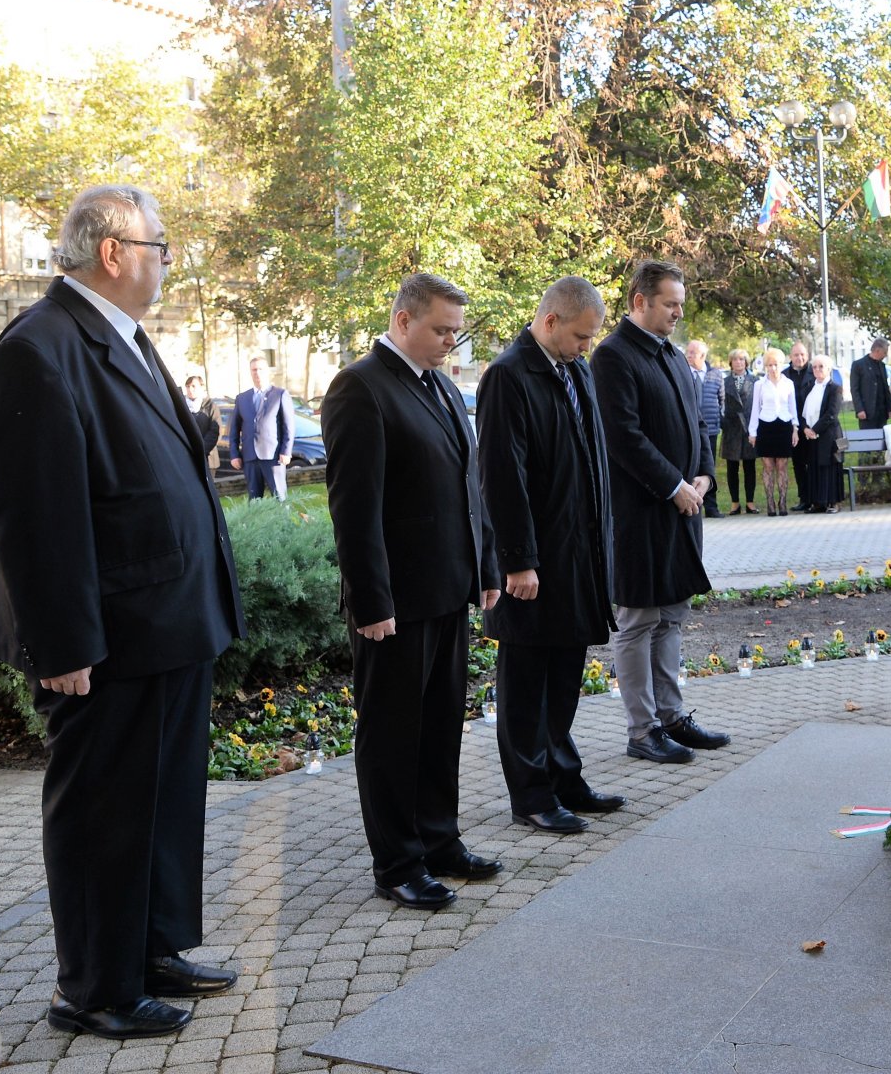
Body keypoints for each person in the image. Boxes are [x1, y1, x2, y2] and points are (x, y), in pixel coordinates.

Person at [0, 184, 244, 1039]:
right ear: (114, 252)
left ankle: (153, 949)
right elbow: (31, 514)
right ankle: (92, 989)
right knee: (103, 814)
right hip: (107, 637)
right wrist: (62, 641)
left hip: (167, 623)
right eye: (161, 245)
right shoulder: (41, 346)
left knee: (163, 806)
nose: (168, 260)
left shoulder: (120, 336)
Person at [322, 272, 504, 910]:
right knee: (394, 734)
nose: (450, 342)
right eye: (440, 329)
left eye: (457, 331)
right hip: (394, 605)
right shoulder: (360, 388)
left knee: (438, 728)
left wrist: (484, 567)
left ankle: (439, 840)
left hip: (449, 592)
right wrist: (372, 602)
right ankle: (398, 862)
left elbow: (467, 487)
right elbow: (354, 508)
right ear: (403, 321)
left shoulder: (443, 388)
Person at [477, 276, 627, 835]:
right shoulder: (508, 376)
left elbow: (592, 463)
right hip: (532, 564)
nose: (588, 347)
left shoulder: (575, 370)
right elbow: (501, 476)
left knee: (564, 676)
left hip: (576, 556)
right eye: (582, 336)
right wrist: (517, 559)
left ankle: (564, 776)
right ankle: (532, 794)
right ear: (550, 322)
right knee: (526, 687)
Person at [592, 260, 730, 765]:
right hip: (639, 515)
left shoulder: (672, 354)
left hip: (682, 509)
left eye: (680, 305)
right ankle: (642, 730)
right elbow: (623, 436)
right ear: (639, 302)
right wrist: (672, 485)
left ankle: (671, 717)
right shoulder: (612, 356)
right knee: (639, 620)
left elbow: (696, 423)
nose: (677, 313)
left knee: (672, 615)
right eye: (670, 304)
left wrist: (703, 475)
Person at [228, 356, 293, 500]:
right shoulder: (242, 398)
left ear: (268, 372)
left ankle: (284, 523)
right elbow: (234, 430)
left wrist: (286, 451)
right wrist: (234, 454)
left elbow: (288, 426)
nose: (257, 373)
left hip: (273, 456)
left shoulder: (280, 394)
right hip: (250, 457)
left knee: (280, 498)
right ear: (250, 372)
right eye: (254, 369)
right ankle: (257, 524)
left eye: (260, 369)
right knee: (254, 501)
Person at [748, 347, 798, 516]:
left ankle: (782, 501)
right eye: (769, 365)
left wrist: (795, 429)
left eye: (775, 364)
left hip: (784, 425)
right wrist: (752, 432)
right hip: (765, 426)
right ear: (765, 366)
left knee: (782, 466)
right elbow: (755, 409)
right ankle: (770, 502)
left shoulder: (788, 383)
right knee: (768, 466)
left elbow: (793, 409)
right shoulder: (759, 384)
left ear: (781, 364)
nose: (772, 368)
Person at [798, 354, 844, 513]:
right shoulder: (810, 387)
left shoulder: (835, 388)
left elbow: (831, 414)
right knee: (814, 468)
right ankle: (817, 502)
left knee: (829, 468)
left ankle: (832, 502)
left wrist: (814, 430)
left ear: (828, 369)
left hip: (829, 435)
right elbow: (802, 412)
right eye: (815, 367)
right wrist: (805, 429)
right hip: (811, 436)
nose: (817, 369)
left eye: (821, 366)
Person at [684, 338, 725, 517]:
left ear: (703, 356)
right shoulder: (683, 372)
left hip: (711, 428)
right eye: (688, 352)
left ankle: (712, 507)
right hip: (689, 429)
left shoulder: (715, 374)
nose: (689, 356)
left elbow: (722, 400)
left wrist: (718, 419)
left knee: (709, 467)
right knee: (691, 466)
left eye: (693, 353)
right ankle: (692, 504)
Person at [720, 348, 759, 513]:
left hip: (749, 428)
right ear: (731, 362)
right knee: (732, 468)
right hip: (731, 429)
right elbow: (719, 403)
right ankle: (735, 502)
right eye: (735, 360)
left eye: (742, 359)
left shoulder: (755, 381)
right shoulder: (724, 381)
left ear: (746, 362)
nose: (738, 362)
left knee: (750, 466)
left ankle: (750, 502)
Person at [785, 341, 815, 508]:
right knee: (798, 464)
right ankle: (804, 498)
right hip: (793, 427)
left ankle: (814, 497)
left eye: (802, 354)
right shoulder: (784, 375)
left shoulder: (814, 372)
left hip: (811, 426)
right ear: (791, 357)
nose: (800, 358)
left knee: (812, 462)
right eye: (796, 355)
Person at [850, 338, 891, 431]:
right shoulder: (858, 365)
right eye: (885, 352)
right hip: (867, 412)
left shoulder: (882, 366)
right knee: (868, 441)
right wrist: (859, 409)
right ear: (877, 350)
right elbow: (854, 390)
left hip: (882, 412)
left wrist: (890, 408)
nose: (885, 355)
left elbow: (885, 388)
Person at [183, 375, 221, 470]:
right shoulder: (182, 406)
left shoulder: (211, 406)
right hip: (187, 458)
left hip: (208, 458)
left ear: (202, 387)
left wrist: (200, 450)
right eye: (187, 386)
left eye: (193, 386)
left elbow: (215, 431)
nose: (190, 389)